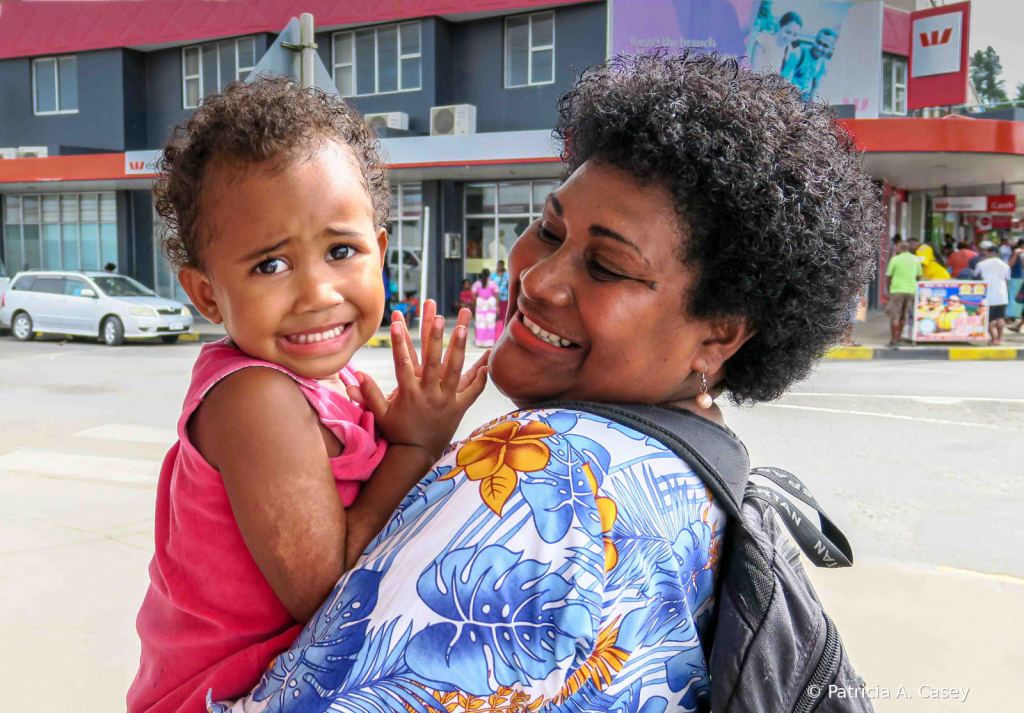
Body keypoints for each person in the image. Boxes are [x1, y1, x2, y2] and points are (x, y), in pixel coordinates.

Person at [218, 50, 880, 713]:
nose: (537, 279)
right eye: (549, 229)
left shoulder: (550, 471)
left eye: (607, 266)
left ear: (721, 333)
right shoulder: (693, 473)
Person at [127, 77, 489, 713]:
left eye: (341, 250)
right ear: (207, 294)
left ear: (380, 253)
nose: (319, 292)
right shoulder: (255, 397)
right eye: (271, 265)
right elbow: (327, 592)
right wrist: (415, 441)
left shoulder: (337, 382)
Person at [782, 28, 836, 99]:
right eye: (818, 42)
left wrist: (809, 105)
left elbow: (815, 88)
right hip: (788, 98)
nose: (819, 48)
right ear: (814, 40)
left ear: (830, 49)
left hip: (803, 102)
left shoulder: (822, 64)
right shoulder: (798, 53)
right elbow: (784, 80)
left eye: (825, 46)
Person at [886, 240, 921, 346]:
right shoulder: (916, 259)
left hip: (897, 290)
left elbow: (889, 276)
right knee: (904, 315)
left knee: (895, 316)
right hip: (910, 291)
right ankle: (899, 337)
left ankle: (894, 340)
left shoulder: (895, 259)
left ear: (899, 249)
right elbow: (919, 276)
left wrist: (889, 290)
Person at [976, 240, 1011, 345]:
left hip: (987, 294)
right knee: (1000, 318)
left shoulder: (981, 264)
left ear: (988, 253)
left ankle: (993, 338)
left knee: (989, 319)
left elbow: (975, 277)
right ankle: (999, 339)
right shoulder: (1005, 265)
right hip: (1001, 294)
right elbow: (1007, 279)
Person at [471, 267, 499, 347]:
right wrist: (498, 308)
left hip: (480, 306)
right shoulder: (493, 284)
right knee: (490, 324)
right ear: (489, 275)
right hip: (490, 306)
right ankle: (489, 342)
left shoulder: (476, 284)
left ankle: (479, 342)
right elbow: (497, 297)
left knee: (480, 324)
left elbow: (474, 296)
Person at [1008, 239, 1024, 331]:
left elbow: (1011, 264)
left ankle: (1016, 322)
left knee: (1016, 299)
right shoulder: (1019, 253)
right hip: (1017, 278)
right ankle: (1016, 322)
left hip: (1018, 277)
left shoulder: (1018, 252)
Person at [494, 258, 510, 338]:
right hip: (494, 299)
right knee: (496, 315)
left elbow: (510, 286)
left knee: (504, 315)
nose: (500, 266)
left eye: (501, 265)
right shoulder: (493, 275)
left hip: (504, 298)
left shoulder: (507, 276)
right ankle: (496, 333)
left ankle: (503, 332)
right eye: (499, 265)